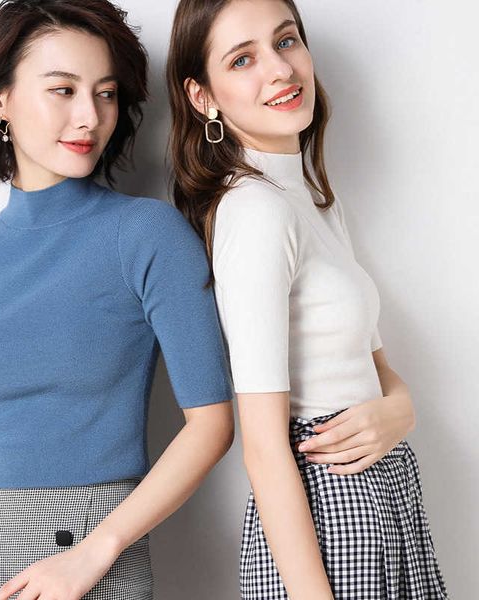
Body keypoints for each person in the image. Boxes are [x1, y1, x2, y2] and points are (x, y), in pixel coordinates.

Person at [0, 2, 234, 599]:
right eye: (63, 89)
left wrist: (95, 553)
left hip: (90, 558)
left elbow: (211, 424)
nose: (90, 116)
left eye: (106, 93)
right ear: (0, 100)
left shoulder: (146, 234)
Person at [166, 0, 448, 598]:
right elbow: (265, 447)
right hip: (327, 510)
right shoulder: (255, 211)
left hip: (384, 491)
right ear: (202, 96)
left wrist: (401, 409)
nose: (280, 69)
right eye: (242, 59)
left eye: (286, 40)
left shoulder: (313, 200)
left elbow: (376, 367)